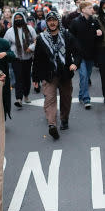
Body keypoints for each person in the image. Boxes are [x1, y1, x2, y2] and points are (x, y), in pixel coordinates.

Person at [31, 10, 79, 140]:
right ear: (46, 22)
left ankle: (64, 119)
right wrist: (35, 77)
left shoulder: (67, 35)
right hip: (49, 74)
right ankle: (52, 124)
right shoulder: (41, 38)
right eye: (49, 20)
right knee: (50, 99)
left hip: (65, 73)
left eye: (54, 20)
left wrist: (76, 63)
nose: (52, 23)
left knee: (66, 98)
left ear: (58, 21)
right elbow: (37, 59)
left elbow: (77, 51)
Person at [67, 0, 101, 109]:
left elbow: (98, 36)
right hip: (79, 55)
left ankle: (81, 94)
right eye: (90, 8)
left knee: (87, 76)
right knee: (83, 75)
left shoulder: (94, 21)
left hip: (91, 54)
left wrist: (99, 33)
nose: (92, 10)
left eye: (92, 8)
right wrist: (72, 51)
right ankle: (86, 99)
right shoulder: (75, 22)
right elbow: (70, 37)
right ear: (83, 10)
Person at [5, 10, 36, 107]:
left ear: (23, 18)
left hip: (28, 58)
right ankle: (19, 99)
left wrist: (31, 48)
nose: (18, 19)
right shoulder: (9, 32)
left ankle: (26, 95)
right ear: (13, 20)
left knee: (26, 78)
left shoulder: (30, 29)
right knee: (18, 78)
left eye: (20, 18)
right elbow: (6, 44)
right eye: (16, 18)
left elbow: (36, 40)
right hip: (16, 59)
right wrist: (10, 53)